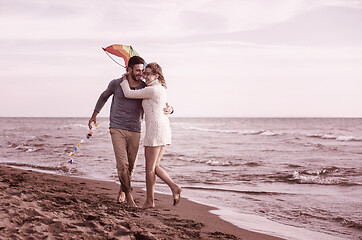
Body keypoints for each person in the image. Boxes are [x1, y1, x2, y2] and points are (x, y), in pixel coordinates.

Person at [88, 56, 173, 207]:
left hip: (135, 129)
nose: (141, 74)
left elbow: (161, 101)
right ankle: (129, 196)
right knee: (122, 164)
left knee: (131, 166)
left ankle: (123, 190)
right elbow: (104, 96)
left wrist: (171, 109)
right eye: (138, 70)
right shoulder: (116, 83)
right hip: (117, 128)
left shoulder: (144, 87)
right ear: (128, 70)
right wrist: (94, 115)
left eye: (143, 71)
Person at [120, 62, 181, 209]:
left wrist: (124, 81)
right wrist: (171, 109)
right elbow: (166, 106)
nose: (144, 76)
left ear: (156, 75)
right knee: (154, 166)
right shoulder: (158, 88)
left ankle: (150, 201)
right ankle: (174, 188)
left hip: (156, 131)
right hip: (162, 130)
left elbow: (129, 93)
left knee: (149, 168)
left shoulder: (153, 90)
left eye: (148, 74)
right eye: (144, 73)